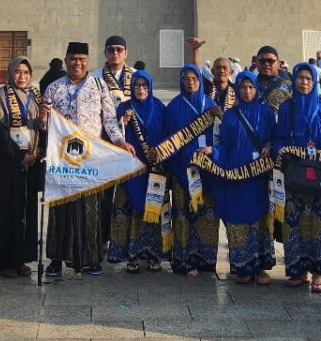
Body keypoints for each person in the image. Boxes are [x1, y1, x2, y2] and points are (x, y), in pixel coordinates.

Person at [43, 41, 134, 277]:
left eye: (82, 59)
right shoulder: (53, 88)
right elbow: (44, 125)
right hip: (62, 160)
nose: (77, 63)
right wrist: (42, 119)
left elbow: (109, 120)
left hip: (90, 159)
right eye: (73, 59)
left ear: (88, 61)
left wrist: (121, 142)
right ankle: (56, 259)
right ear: (66, 61)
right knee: (60, 210)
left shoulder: (99, 85)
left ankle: (91, 259)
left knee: (90, 209)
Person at [273, 62, 321, 292]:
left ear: (315, 82)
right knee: (295, 225)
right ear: (294, 80)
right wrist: (285, 150)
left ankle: (318, 274)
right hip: (295, 176)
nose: (304, 82)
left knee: (319, 225)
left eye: (308, 78)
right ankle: (298, 272)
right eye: (300, 78)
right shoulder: (287, 108)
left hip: (319, 177)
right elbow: (279, 138)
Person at [208, 70, 275, 284]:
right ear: (237, 89)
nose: (247, 91)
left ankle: (260, 269)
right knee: (238, 219)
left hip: (258, 177)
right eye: (243, 87)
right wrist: (212, 151)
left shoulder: (266, 113)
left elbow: (274, 138)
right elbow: (225, 144)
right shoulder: (230, 115)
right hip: (237, 177)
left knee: (259, 220)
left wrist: (270, 145)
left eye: (251, 87)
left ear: (257, 89)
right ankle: (242, 268)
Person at [0, 56, 44, 277]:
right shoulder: (0, 97)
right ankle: (6, 262)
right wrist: (19, 156)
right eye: (17, 72)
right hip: (6, 165)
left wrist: (37, 152)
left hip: (30, 164)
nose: (22, 76)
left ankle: (20, 259)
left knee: (24, 211)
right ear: (10, 73)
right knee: (6, 212)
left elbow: (40, 128)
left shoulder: (34, 97)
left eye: (26, 73)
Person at [161, 64, 221, 276]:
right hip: (182, 170)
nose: (190, 82)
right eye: (186, 79)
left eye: (194, 78)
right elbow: (167, 137)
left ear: (200, 81)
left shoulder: (211, 105)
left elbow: (222, 135)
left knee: (207, 215)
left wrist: (220, 116)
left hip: (207, 170)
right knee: (183, 215)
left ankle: (206, 260)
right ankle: (184, 261)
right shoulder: (174, 106)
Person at [108, 69, 169, 273]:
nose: (141, 89)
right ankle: (131, 255)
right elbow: (113, 134)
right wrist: (123, 123)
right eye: (137, 85)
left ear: (150, 87)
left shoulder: (159, 108)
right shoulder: (124, 108)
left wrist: (159, 152)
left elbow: (168, 134)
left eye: (144, 85)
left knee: (152, 209)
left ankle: (153, 254)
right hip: (131, 169)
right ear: (131, 87)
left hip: (154, 168)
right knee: (129, 210)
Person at [92, 34, 135, 105]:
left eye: (119, 49)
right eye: (111, 50)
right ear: (105, 53)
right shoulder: (95, 77)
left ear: (126, 53)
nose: (115, 53)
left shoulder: (135, 75)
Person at [254, 45, 292, 110]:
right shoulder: (249, 86)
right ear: (256, 63)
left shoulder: (290, 87)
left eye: (270, 61)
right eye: (262, 61)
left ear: (278, 64)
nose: (266, 64)